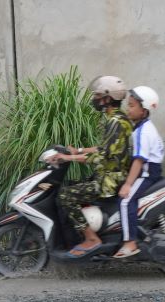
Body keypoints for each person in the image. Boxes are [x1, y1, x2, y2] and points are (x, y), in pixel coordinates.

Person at [47, 75, 134, 256]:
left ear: (108, 99)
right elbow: (104, 148)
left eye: (98, 96)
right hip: (109, 175)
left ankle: (91, 238)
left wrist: (66, 158)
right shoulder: (116, 118)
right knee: (71, 185)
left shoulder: (116, 122)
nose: (94, 99)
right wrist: (77, 150)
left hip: (110, 180)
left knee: (65, 195)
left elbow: (101, 157)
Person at [114, 86, 165, 259]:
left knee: (126, 201)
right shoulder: (143, 127)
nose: (128, 109)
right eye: (128, 105)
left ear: (144, 110)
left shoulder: (143, 131)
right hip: (148, 170)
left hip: (147, 173)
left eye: (132, 106)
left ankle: (130, 243)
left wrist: (128, 185)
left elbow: (139, 160)